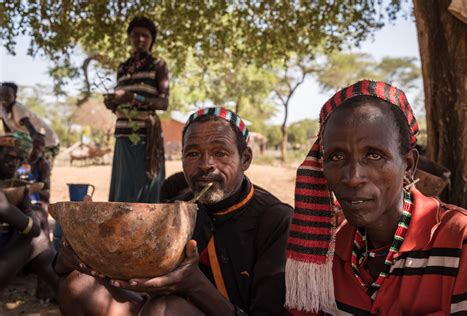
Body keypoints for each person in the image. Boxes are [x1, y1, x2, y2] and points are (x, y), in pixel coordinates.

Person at [54, 107, 293, 315]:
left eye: (220, 152)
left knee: (164, 310)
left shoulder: (276, 221)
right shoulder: (179, 205)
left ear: (245, 159)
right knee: (78, 286)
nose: (205, 164)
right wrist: (83, 238)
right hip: (159, 308)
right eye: (193, 153)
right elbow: (126, 267)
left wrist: (194, 285)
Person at [285, 80, 467, 315]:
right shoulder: (323, 249)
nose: (353, 178)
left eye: (374, 155)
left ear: (408, 165)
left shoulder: (463, 240)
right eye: (336, 157)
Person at [104, 16, 169, 203]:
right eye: (135, 35)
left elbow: (163, 103)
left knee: (147, 188)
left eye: (145, 36)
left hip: (147, 138)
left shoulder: (158, 66)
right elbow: (121, 103)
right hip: (123, 135)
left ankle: (149, 230)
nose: (140, 39)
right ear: (130, 38)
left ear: (151, 40)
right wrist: (113, 104)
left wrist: (133, 97)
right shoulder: (123, 68)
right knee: (123, 189)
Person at [0, 132, 58, 294]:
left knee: (39, 214)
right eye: (9, 157)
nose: (14, 163)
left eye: (19, 159)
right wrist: (26, 208)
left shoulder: (40, 165)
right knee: (39, 240)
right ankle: (59, 288)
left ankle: (52, 286)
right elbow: (34, 231)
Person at [0, 82, 60, 160]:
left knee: (35, 164)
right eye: (1, 95)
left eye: (8, 95)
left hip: (49, 143)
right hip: (31, 141)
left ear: (15, 97)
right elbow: (8, 132)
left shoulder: (17, 108)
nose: (3, 98)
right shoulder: (1, 108)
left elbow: (33, 132)